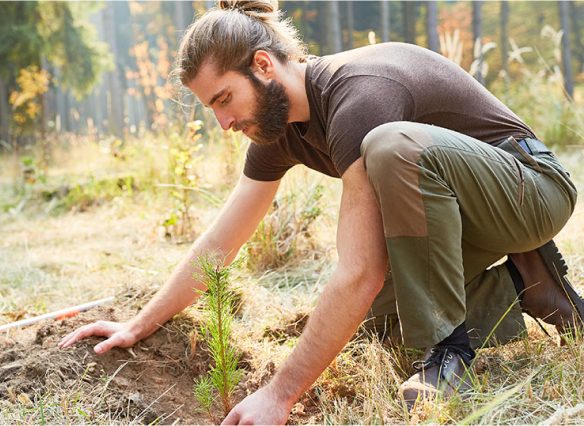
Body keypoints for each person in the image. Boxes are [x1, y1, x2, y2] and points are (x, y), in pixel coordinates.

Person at [59, 0, 584, 423]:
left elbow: (358, 272)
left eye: (224, 98)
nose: (222, 121)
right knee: (375, 326)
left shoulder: (358, 98)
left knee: (391, 147)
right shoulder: (275, 128)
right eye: (212, 108)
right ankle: (526, 282)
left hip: (530, 190)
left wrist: (279, 396)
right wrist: (138, 323)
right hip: (462, 216)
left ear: (263, 66)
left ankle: (448, 354)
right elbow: (222, 241)